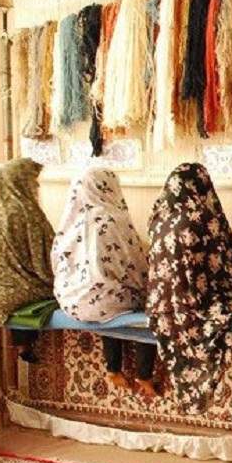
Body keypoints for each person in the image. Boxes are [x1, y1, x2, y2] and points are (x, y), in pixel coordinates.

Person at [147, 162, 232, 414]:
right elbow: (225, 266)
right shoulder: (201, 216)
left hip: (161, 310)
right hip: (197, 304)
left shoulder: (157, 217)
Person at [51, 168, 156, 396]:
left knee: (107, 294)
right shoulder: (113, 219)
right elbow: (134, 266)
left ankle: (113, 369)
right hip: (105, 302)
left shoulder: (70, 220)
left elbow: (56, 262)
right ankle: (144, 374)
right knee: (146, 301)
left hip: (70, 302)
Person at [0, 158, 54, 360]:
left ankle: (23, 344)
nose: (37, 186)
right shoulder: (27, 213)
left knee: (18, 278)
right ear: (20, 182)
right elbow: (46, 262)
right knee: (52, 291)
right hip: (12, 293)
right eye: (33, 182)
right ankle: (25, 343)